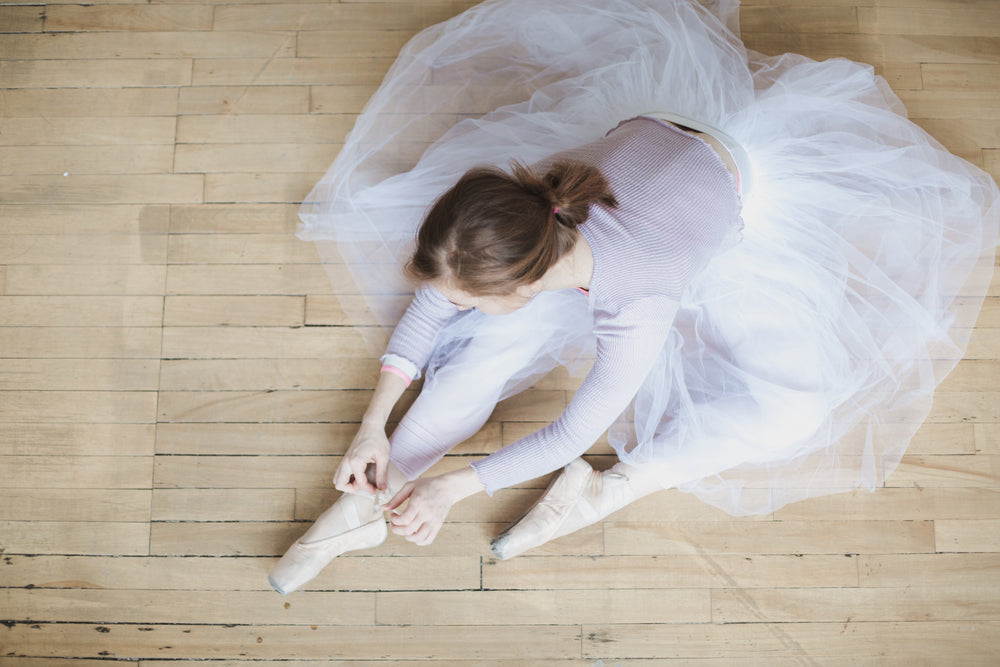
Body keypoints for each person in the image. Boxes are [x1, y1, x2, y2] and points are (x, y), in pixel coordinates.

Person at [268, 0, 999, 595]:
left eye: (480, 294)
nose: (455, 301)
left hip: (734, 224)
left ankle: (608, 490)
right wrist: (372, 422)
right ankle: (365, 497)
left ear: (527, 283)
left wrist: (453, 490)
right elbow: (438, 295)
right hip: (657, 164)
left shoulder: (638, 304)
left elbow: (566, 431)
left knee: (796, 405)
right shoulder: (524, 210)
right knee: (485, 347)